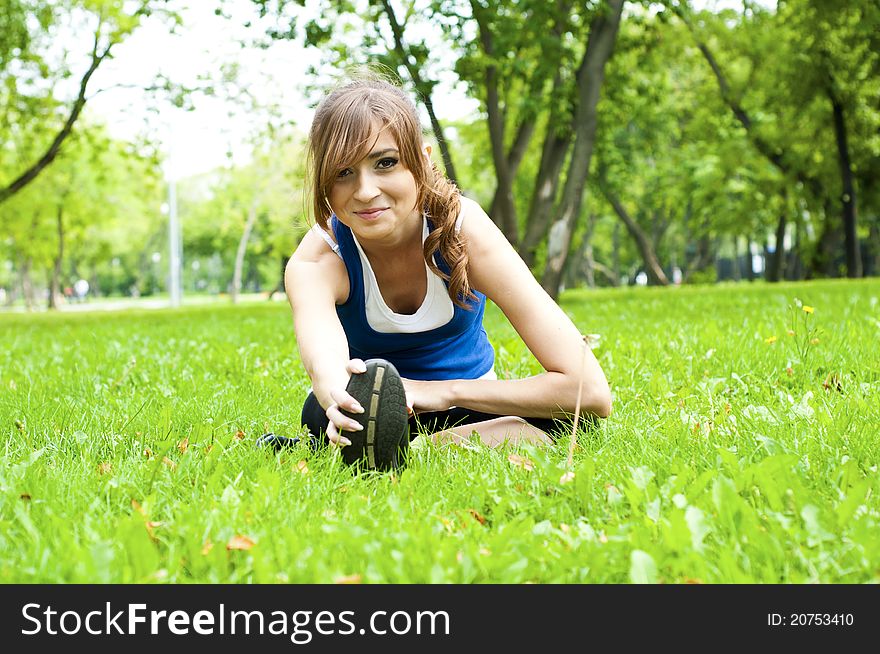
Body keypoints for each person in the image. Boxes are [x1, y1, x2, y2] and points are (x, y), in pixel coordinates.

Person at [266, 74, 610, 468]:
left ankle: (406, 453)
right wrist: (336, 399)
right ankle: (409, 448)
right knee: (317, 413)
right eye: (343, 172)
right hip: (376, 414)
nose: (364, 191)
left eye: (386, 163)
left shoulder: (466, 231)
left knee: (572, 421)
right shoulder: (318, 260)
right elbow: (326, 368)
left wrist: (442, 393)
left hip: (471, 407)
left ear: (423, 160)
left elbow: (590, 391)